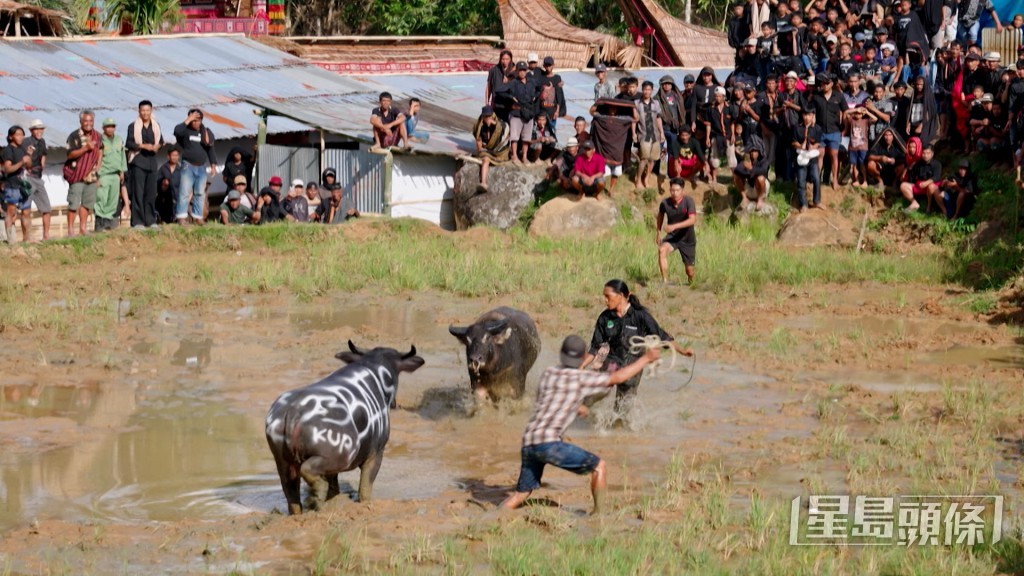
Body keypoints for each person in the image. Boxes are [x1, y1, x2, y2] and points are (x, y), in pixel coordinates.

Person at [499, 335, 660, 516]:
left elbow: (548, 402)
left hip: (529, 441)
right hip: (549, 444)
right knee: (599, 467)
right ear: (584, 357)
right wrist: (646, 358)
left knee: (521, 494)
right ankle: (598, 516)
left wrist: (576, 406)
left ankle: (493, 518)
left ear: (562, 355)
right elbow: (617, 377)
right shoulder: (581, 378)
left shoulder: (549, 373)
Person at [579, 279, 691, 417]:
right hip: (612, 363)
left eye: (607, 296)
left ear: (620, 296)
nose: (605, 300)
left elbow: (662, 337)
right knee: (597, 392)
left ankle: (617, 431)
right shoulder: (604, 318)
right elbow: (596, 346)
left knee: (622, 410)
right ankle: (578, 411)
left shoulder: (640, 316)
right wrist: (583, 365)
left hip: (633, 367)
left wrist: (683, 351)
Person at [173, 108, 216, 226]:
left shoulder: (205, 132)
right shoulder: (185, 131)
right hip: (188, 166)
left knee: (200, 193)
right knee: (184, 192)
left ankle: (198, 217)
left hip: (201, 167)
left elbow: (210, 148)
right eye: (194, 120)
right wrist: (189, 119)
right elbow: (176, 131)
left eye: (198, 120)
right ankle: (181, 217)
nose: (196, 123)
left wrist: (213, 164)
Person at [125, 100, 164, 229]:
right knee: (138, 193)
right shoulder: (133, 126)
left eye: (148, 110)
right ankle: (138, 221)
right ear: (139, 111)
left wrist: (156, 147)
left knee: (151, 193)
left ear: (151, 111)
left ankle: (150, 220)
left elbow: (161, 141)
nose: (145, 113)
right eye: (143, 110)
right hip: (138, 162)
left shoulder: (156, 125)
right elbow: (129, 144)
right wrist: (142, 146)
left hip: (152, 162)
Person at [64, 110, 103, 236]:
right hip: (77, 174)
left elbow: (101, 150)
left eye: (90, 121)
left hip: (91, 175)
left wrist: (98, 166)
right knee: (74, 204)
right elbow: (70, 154)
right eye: (85, 121)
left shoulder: (97, 135)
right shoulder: (74, 136)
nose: (88, 123)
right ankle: (70, 230)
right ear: (81, 121)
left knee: (87, 204)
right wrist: (85, 148)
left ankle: (83, 228)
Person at [656, 178, 698, 284]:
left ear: (682, 190)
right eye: (672, 190)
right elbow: (660, 216)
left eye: (677, 190)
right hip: (673, 238)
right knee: (661, 250)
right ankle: (665, 281)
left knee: (690, 271)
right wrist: (658, 232)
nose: (675, 193)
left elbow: (692, 220)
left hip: (687, 239)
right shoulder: (665, 203)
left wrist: (674, 226)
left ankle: (692, 283)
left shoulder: (688, 201)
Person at [94, 118, 129, 232]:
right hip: (104, 174)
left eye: (112, 126)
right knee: (101, 199)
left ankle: (108, 225)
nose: (111, 128)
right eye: (108, 126)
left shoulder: (119, 140)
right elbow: (96, 159)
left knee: (113, 201)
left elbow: (122, 156)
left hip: (115, 174)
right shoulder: (99, 140)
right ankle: (100, 225)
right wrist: (96, 176)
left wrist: (122, 171)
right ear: (103, 128)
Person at [812, 72, 845, 190]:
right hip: (820, 131)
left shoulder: (839, 96)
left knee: (834, 156)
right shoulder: (816, 96)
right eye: (823, 83)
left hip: (835, 130)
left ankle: (834, 180)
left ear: (831, 83)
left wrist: (844, 126)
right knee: (819, 155)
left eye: (827, 83)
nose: (824, 85)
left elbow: (845, 111)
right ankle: (816, 181)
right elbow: (812, 113)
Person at [1, 126, 32, 243]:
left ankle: (27, 239)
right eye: (18, 134)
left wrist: (29, 160)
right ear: (11, 137)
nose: (20, 137)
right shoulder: (8, 150)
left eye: (22, 134)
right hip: (12, 186)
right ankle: (11, 240)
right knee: (11, 211)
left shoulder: (23, 149)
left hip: (23, 185)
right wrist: (21, 162)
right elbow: (7, 169)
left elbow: (29, 166)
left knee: (26, 212)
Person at [23, 119, 52, 241]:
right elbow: (23, 158)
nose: (39, 131)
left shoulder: (42, 142)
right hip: (27, 178)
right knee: (26, 209)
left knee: (47, 208)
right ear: (31, 130)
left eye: (41, 129)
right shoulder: (26, 142)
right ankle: (26, 238)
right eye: (36, 129)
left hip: (38, 177)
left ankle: (46, 236)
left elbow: (44, 154)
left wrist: (42, 165)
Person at [472, 106, 510, 192]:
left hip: (499, 151)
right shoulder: (479, 125)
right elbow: (479, 143)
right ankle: (484, 183)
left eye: (489, 116)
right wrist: (480, 148)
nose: (487, 118)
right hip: (487, 151)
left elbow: (506, 132)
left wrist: (495, 125)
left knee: (490, 157)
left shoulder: (500, 124)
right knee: (485, 159)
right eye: (485, 117)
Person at [634, 80, 664, 189]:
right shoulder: (637, 103)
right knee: (644, 158)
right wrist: (634, 133)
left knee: (653, 159)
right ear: (642, 90)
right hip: (643, 134)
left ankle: (647, 177)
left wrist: (662, 133)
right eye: (645, 89)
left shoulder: (656, 103)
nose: (647, 91)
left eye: (649, 89)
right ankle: (638, 179)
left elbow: (658, 118)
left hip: (655, 134)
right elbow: (634, 120)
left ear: (652, 90)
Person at [793, 108, 823, 211]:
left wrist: (813, 147)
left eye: (809, 115)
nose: (807, 117)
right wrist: (800, 146)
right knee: (801, 181)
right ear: (802, 116)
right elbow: (793, 142)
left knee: (816, 178)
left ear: (813, 116)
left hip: (812, 157)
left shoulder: (817, 128)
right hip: (801, 157)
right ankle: (803, 204)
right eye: (805, 115)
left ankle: (817, 201)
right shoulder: (797, 128)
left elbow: (818, 143)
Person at [899, 142, 940, 212]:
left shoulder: (937, 164)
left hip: (930, 186)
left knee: (931, 186)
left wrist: (926, 183)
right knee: (903, 186)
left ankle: (928, 207)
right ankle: (914, 203)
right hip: (920, 186)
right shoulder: (918, 163)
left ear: (932, 154)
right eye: (924, 153)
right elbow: (913, 176)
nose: (925, 155)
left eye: (928, 153)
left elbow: (936, 177)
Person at [485, 49, 514, 121]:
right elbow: (489, 87)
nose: (505, 61)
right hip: (496, 104)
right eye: (503, 59)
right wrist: (487, 103)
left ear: (511, 59)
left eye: (507, 59)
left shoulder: (515, 70)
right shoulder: (494, 70)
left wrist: (508, 82)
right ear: (500, 59)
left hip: (509, 105)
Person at [156, 146, 181, 224]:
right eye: (173, 155)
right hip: (165, 200)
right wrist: (163, 185)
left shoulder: (181, 169)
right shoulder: (163, 169)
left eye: (176, 155)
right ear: (168, 156)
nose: (175, 157)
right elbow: (157, 183)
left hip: (178, 199)